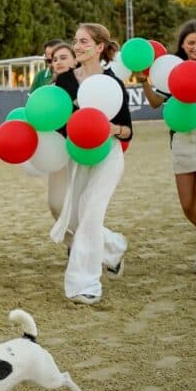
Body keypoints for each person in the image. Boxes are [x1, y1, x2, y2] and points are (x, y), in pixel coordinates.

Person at [138, 20, 196, 274]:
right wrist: (145, 81)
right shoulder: (172, 69)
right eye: (191, 42)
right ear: (182, 44)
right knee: (187, 205)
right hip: (181, 138)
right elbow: (157, 103)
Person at [50, 24, 131, 304]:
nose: (78, 45)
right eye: (76, 41)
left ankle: (84, 284)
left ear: (99, 48)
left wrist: (111, 129)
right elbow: (57, 123)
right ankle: (113, 248)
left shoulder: (113, 84)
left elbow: (128, 130)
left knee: (91, 214)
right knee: (77, 216)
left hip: (108, 155)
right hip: (78, 156)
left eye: (84, 41)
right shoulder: (64, 82)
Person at [46, 42, 77, 225]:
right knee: (56, 204)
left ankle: (78, 248)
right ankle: (74, 242)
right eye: (54, 59)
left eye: (63, 58)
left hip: (79, 149)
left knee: (77, 203)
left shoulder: (83, 84)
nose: (57, 62)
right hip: (56, 149)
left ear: (75, 61)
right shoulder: (52, 88)